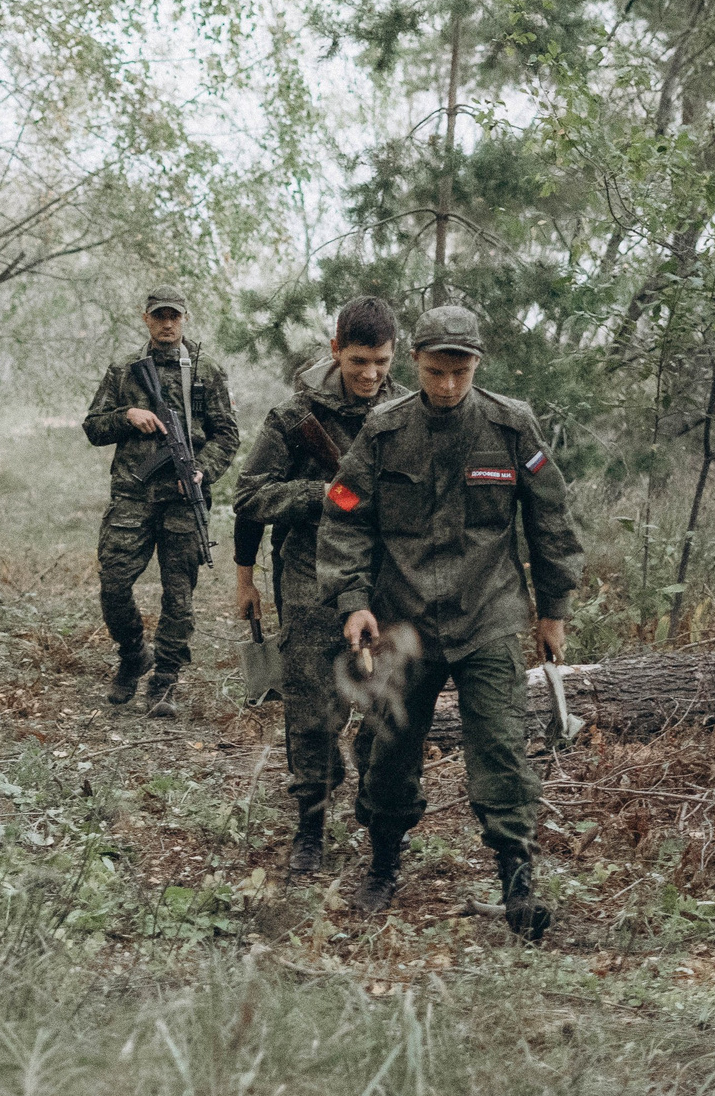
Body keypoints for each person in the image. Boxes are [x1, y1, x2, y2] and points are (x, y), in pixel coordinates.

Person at [314, 303, 584, 935]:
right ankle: (382, 863)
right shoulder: (384, 430)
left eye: (460, 372)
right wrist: (353, 600)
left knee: (500, 748)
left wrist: (554, 611)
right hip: (403, 622)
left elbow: (550, 521)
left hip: (486, 615)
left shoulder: (511, 427)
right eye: (435, 371)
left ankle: (517, 880)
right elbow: (345, 516)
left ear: (477, 364)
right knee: (389, 751)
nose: (447, 385)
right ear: (416, 362)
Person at [231, 296, 404, 876]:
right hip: (309, 576)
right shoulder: (293, 418)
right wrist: (321, 496)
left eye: (381, 361)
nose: (370, 374)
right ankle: (310, 822)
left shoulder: (409, 413)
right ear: (336, 350)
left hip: (387, 576)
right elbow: (248, 495)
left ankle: (373, 793)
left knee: (390, 703)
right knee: (311, 708)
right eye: (358, 360)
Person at [83, 289, 240, 716]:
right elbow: (93, 427)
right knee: (113, 585)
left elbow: (227, 435)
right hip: (133, 495)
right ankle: (134, 654)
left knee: (179, 598)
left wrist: (201, 469)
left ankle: (165, 681)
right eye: (159, 317)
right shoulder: (124, 370)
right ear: (146, 319)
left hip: (183, 501)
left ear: (186, 317)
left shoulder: (206, 371)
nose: (167, 324)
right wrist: (126, 416)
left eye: (174, 316)